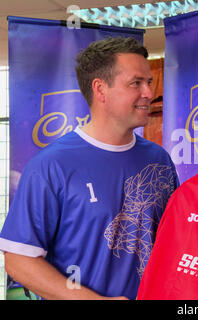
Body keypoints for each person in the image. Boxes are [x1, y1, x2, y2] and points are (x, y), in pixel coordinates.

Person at [0, 37, 179, 300]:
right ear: (100, 89)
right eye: (136, 83)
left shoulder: (159, 159)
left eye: (149, 83)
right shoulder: (51, 166)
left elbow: (175, 241)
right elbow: (19, 260)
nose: (149, 93)